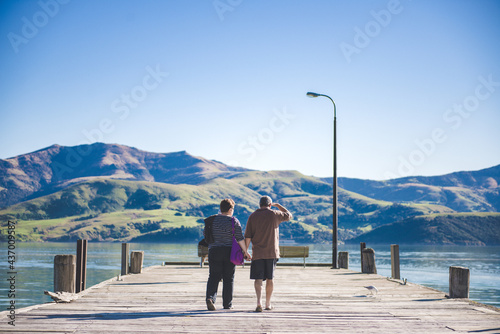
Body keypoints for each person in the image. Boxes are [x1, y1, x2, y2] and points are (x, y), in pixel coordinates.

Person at [244, 195, 292, 312]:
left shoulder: (252, 216)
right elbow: (289, 215)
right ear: (270, 205)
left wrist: (245, 251)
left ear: (259, 205)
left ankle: (258, 302)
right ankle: (268, 303)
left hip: (257, 253)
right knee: (270, 278)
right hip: (272, 253)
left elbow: (248, 236)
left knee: (258, 279)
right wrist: (278, 205)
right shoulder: (275, 214)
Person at [204, 198, 251, 311]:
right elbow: (239, 238)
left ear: (221, 208)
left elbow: (206, 235)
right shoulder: (234, 221)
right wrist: (245, 252)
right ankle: (227, 304)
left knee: (213, 276)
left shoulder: (212, 220)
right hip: (229, 252)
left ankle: (210, 298)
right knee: (228, 278)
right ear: (230, 209)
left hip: (214, 251)